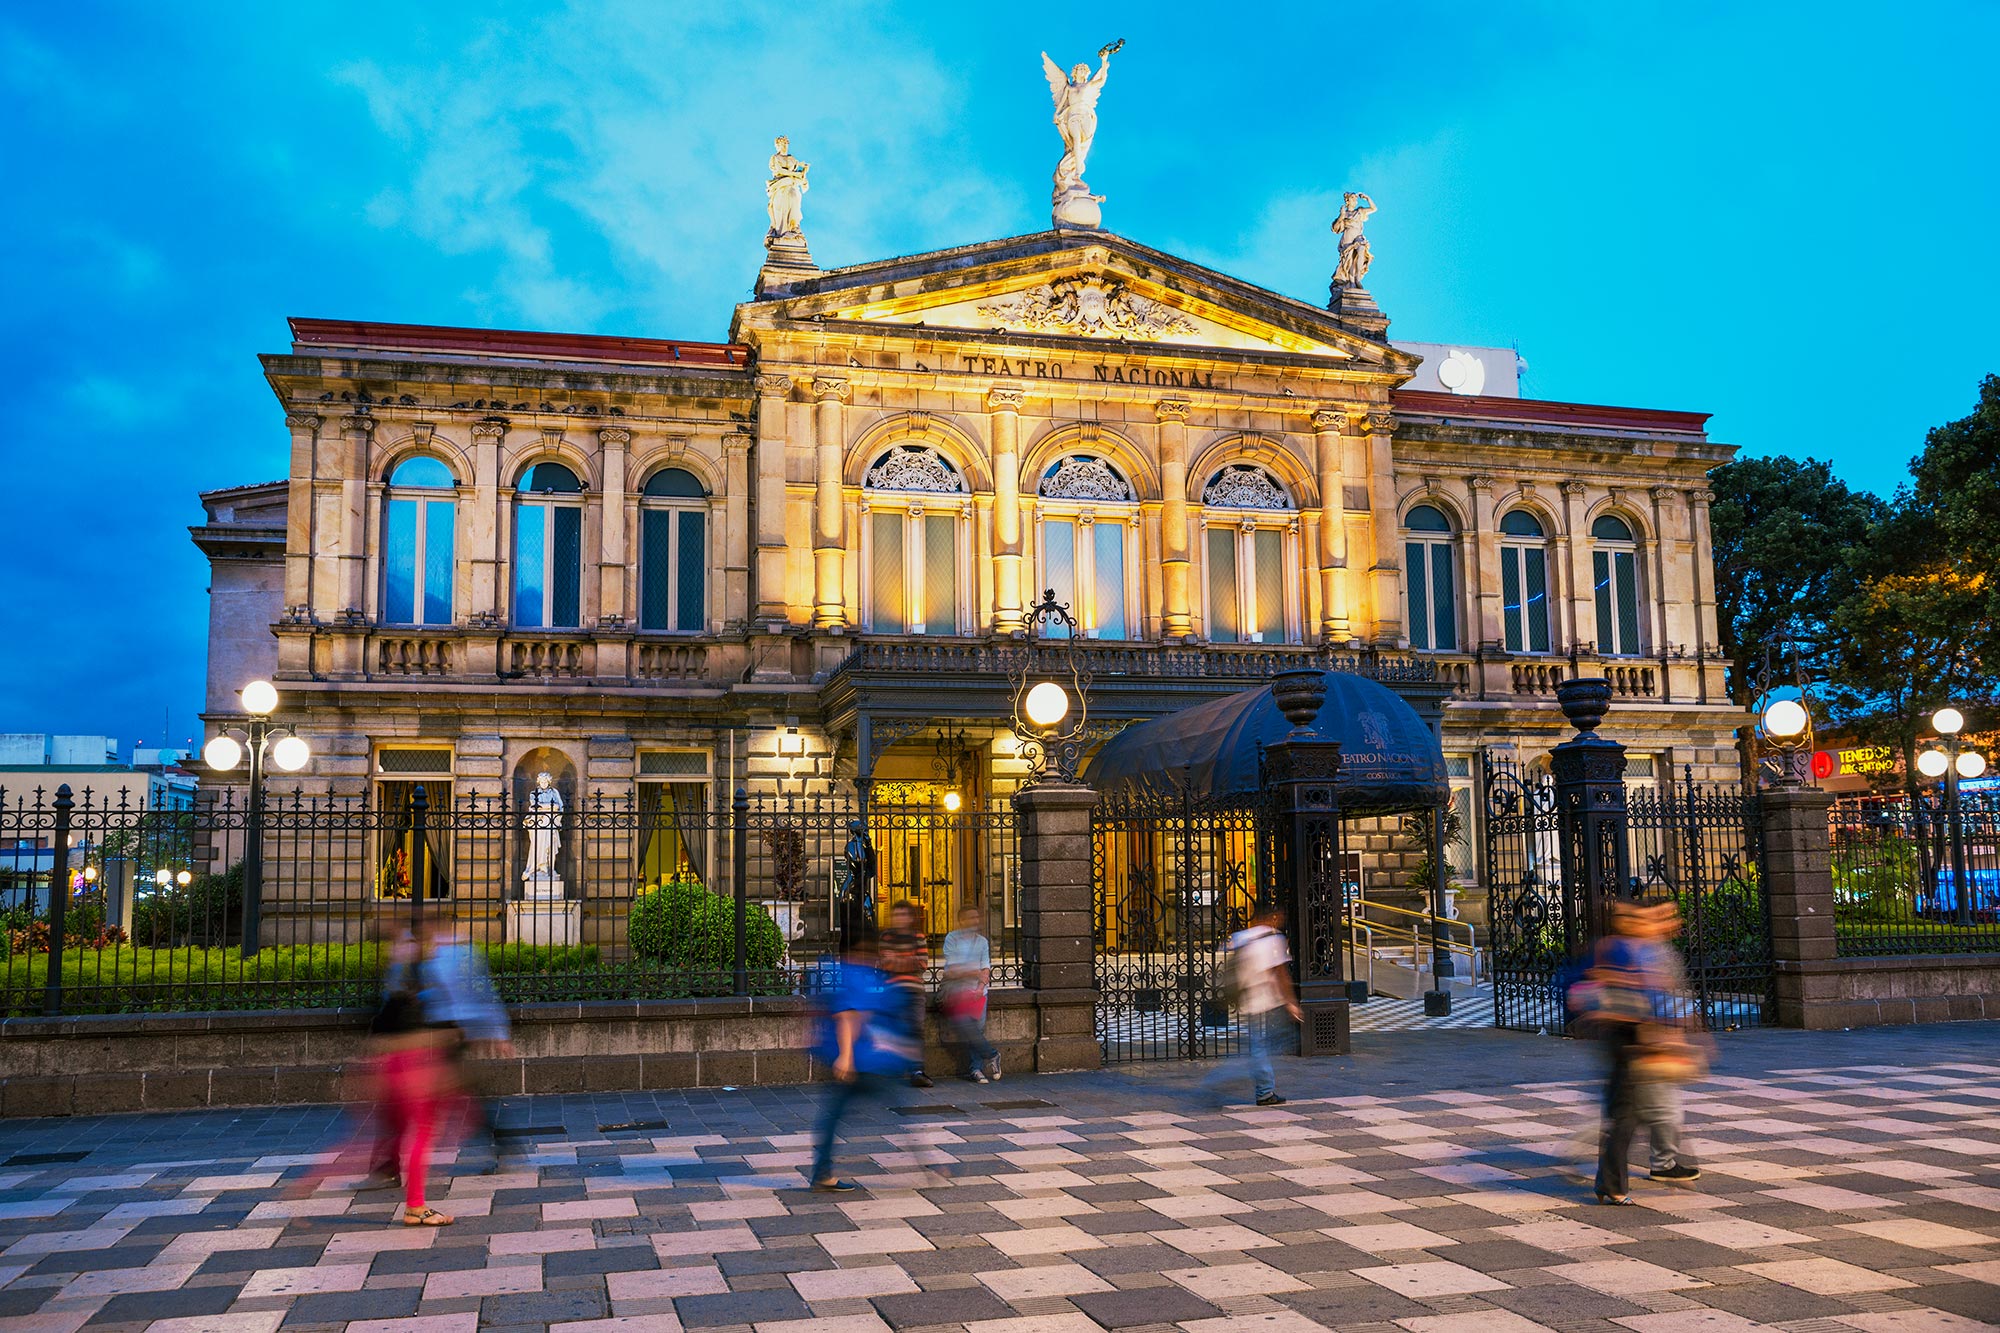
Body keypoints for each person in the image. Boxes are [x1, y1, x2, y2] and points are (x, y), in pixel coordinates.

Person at [1570, 899, 1705, 1204]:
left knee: (1628, 1113)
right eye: (1645, 918)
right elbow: (1602, 988)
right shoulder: (1617, 947)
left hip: (1636, 1034)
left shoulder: (1644, 949)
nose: (1658, 923)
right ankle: (1613, 1182)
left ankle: (1616, 1180)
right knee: (1626, 1114)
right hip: (1627, 1035)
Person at [809, 931, 918, 1193]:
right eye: (871, 954)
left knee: (834, 1114)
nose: (874, 959)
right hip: (862, 1063)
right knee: (895, 1110)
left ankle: (822, 1171)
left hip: (864, 1061)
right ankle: (929, 1164)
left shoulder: (846, 974)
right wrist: (846, 1057)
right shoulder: (856, 975)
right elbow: (849, 1016)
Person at [420, 918, 515, 1170]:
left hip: (455, 1031)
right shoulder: (444, 955)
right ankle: (499, 1143)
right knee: (462, 1094)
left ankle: (499, 1143)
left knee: (454, 1094)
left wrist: (497, 1030)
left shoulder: (459, 955)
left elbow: (480, 992)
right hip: (451, 1031)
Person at [1229, 904, 1302, 1107]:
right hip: (1264, 1002)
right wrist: (1291, 1003)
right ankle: (1261, 1090)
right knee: (1263, 1046)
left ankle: (1261, 1086)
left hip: (1246, 1000)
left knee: (1260, 1044)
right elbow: (1281, 973)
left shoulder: (1243, 936)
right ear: (1273, 917)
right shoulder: (1272, 938)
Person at [941, 905, 999, 1084]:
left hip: (978, 992)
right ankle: (992, 1054)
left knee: (976, 1029)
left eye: (976, 917)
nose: (975, 921)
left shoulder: (982, 942)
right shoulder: (952, 938)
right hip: (958, 992)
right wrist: (974, 972)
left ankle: (976, 1069)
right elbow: (951, 970)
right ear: (961, 921)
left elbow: (985, 967)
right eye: (970, 918)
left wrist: (980, 987)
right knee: (967, 1027)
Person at [879, 900, 933, 1088]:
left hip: (914, 991)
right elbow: (885, 963)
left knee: (916, 1028)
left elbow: (923, 964)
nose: (899, 919)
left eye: (903, 915)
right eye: (896, 915)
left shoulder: (918, 936)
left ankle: (917, 1070)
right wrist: (908, 960)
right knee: (896, 1028)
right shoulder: (887, 937)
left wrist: (897, 960)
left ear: (910, 918)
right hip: (893, 990)